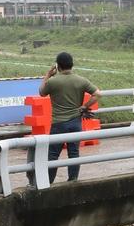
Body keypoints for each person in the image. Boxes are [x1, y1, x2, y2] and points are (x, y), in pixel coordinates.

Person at [39, 52, 100, 183]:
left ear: (58, 65)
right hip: (75, 123)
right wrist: (84, 107)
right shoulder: (81, 80)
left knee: (53, 155)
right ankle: (72, 180)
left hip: (58, 124)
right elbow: (97, 94)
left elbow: (41, 93)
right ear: (72, 65)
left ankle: (48, 182)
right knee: (74, 153)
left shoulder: (53, 82)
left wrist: (48, 75)